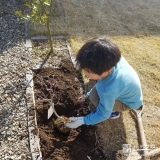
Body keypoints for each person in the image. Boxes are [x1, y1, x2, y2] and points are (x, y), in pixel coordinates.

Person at [65, 37, 143, 129]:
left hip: (128, 102)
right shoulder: (111, 58)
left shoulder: (108, 90)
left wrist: (83, 120)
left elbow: (103, 114)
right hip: (128, 89)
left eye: (88, 71)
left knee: (95, 98)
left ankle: (113, 112)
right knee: (94, 93)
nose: (85, 73)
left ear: (106, 71)